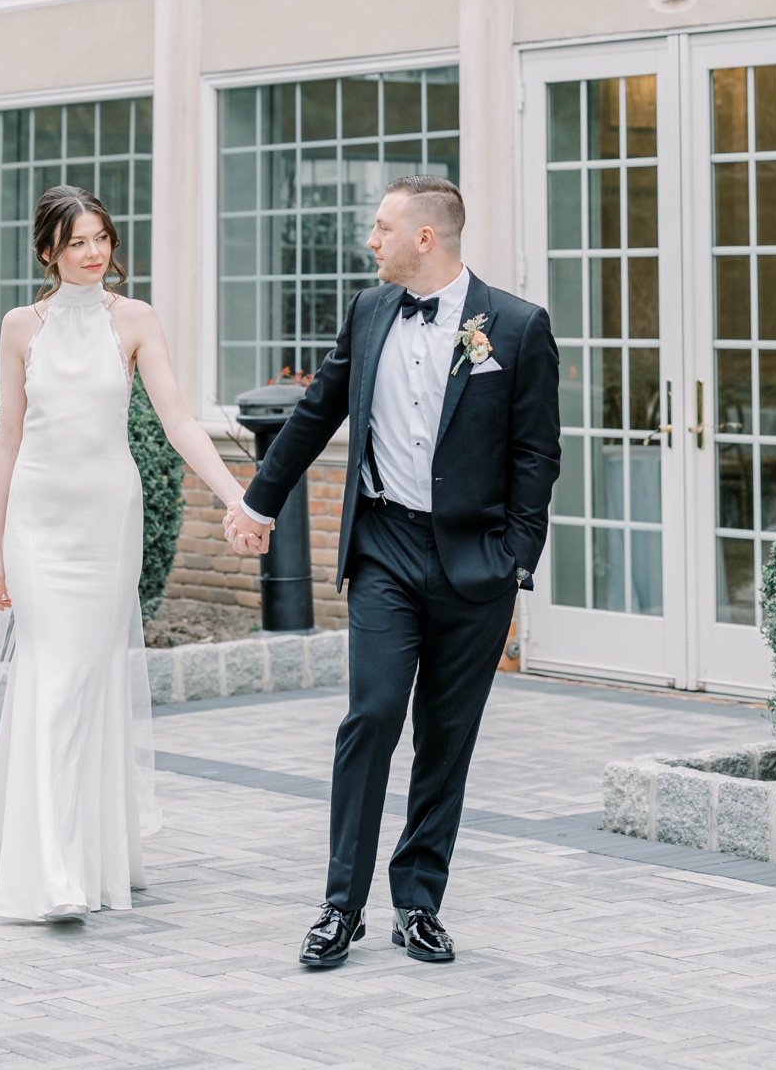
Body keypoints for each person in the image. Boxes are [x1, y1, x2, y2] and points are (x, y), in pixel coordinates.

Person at [0, 184, 253, 923]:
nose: (94, 253)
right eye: (77, 242)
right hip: (38, 522)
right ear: (48, 251)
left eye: (102, 238)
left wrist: (237, 496)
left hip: (108, 522)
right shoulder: (19, 327)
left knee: (86, 682)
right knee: (52, 679)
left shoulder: (134, 321)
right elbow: (8, 438)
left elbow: (178, 420)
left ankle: (89, 853)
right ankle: (52, 872)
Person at [225, 174, 560, 970]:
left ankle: (419, 901)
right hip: (385, 551)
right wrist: (257, 501)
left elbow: (537, 454)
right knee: (370, 718)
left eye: (381, 228)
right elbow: (316, 413)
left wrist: (514, 558)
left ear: (424, 238)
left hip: (473, 564)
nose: (368, 240)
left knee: (446, 739)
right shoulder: (371, 310)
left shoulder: (514, 328)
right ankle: (341, 907)